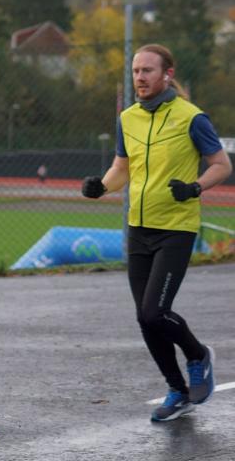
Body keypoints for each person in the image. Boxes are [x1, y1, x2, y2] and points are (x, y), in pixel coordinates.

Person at [81, 43, 232, 422]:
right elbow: (122, 168)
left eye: (148, 70)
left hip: (175, 228)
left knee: (154, 311)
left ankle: (198, 355)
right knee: (144, 317)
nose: (140, 78)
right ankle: (177, 390)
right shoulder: (127, 118)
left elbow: (221, 164)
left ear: (168, 74)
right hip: (139, 229)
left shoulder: (192, 117)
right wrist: (102, 186)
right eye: (135, 71)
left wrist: (196, 187)